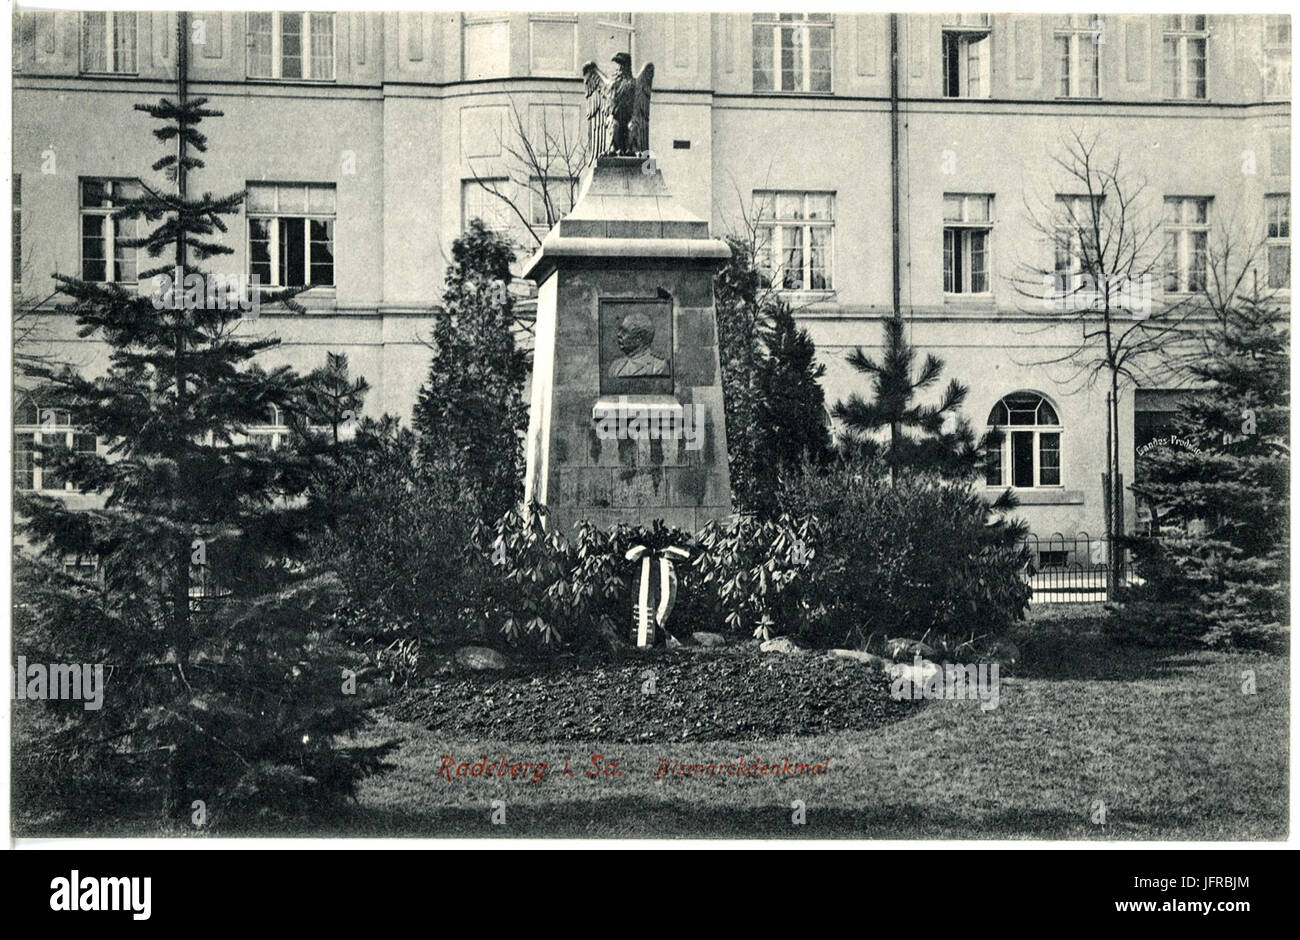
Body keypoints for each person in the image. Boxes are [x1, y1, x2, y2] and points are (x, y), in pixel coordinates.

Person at [608, 311, 668, 378]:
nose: (619, 334)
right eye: (620, 330)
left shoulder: (658, 366)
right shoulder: (616, 366)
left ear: (639, 337)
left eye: (625, 332)